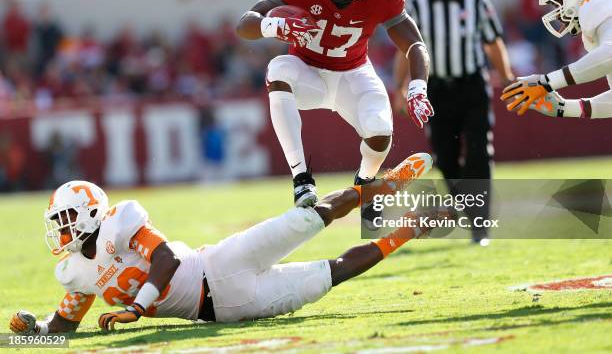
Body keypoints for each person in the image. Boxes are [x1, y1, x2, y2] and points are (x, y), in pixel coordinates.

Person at [9, 153, 434, 334]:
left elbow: (166, 256)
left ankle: (383, 185)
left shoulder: (122, 220)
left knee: (308, 218)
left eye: (65, 220)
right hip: (228, 310)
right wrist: (32, 333)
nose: (61, 232)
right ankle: (408, 229)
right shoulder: (73, 271)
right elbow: (63, 327)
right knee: (331, 274)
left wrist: (139, 307)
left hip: (219, 263)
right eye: (57, 223)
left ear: (89, 213)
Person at [236, 0, 433, 208]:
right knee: (278, 69)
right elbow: (244, 25)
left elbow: (415, 45)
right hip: (308, 72)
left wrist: (417, 86)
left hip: (353, 74)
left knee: (380, 131)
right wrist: (273, 25)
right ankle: (301, 179)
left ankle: (365, 186)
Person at [394, 0, 515, 245]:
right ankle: (467, 206)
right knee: (445, 158)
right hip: (437, 90)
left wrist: (508, 77)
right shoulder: (419, 5)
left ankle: (480, 226)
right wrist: (400, 86)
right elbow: (405, 50)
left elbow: (493, 42)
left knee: (478, 153)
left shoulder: (476, 0)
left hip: (472, 86)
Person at [502, 0, 612, 119]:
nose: (558, 13)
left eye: (557, 3)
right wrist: (564, 108)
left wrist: (547, 82)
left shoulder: (600, 0)